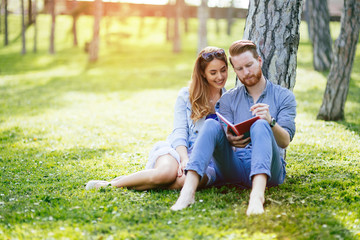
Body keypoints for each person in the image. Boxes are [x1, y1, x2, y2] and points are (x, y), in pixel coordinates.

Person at [171, 40, 297, 216]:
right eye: (239, 69)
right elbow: (223, 135)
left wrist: (271, 122)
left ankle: (257, 197)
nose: (246, 72)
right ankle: (187, 193)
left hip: (271, 169)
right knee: (211, 123)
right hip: (235, 167)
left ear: (259, 61)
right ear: (235, 71)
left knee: (260, 123)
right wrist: (230, 139)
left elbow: (284, 142)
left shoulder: (284, 97)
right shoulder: (228, 99)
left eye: (249, 65)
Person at [85, 46, 228, 191]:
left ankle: (134, 183)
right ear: (203, 74)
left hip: (208, 162)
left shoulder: (230, 99)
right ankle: (109, 185)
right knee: (165, 173)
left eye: (223, 70)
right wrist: (184, 159)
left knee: (184, 181)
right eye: (213, 72)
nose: (220, 77)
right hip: (179, 151)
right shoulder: (186, 96)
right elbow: (179, 132)